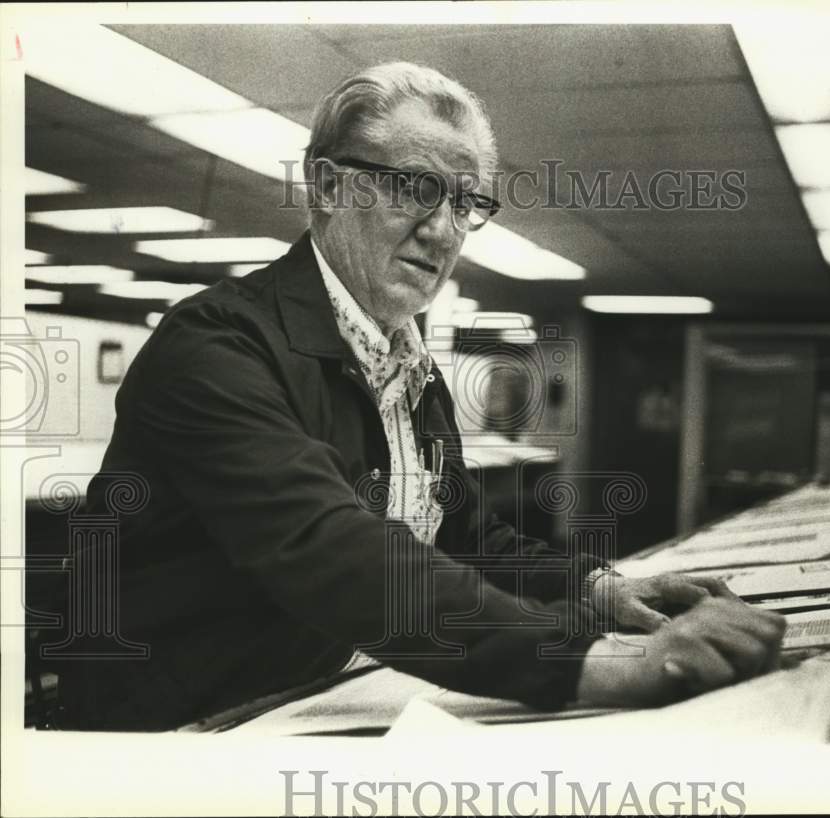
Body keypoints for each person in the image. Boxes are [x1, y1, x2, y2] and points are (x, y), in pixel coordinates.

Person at [56, 62, 785, 730]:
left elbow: (464, 536)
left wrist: (598, 589)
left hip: (323, 694)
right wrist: (592, 661)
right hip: (185, 733)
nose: (442, 231)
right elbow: (332, 550)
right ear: (328, 185)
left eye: (466, 201)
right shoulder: (214, 347)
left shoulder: (407, 359)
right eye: (414, 187)